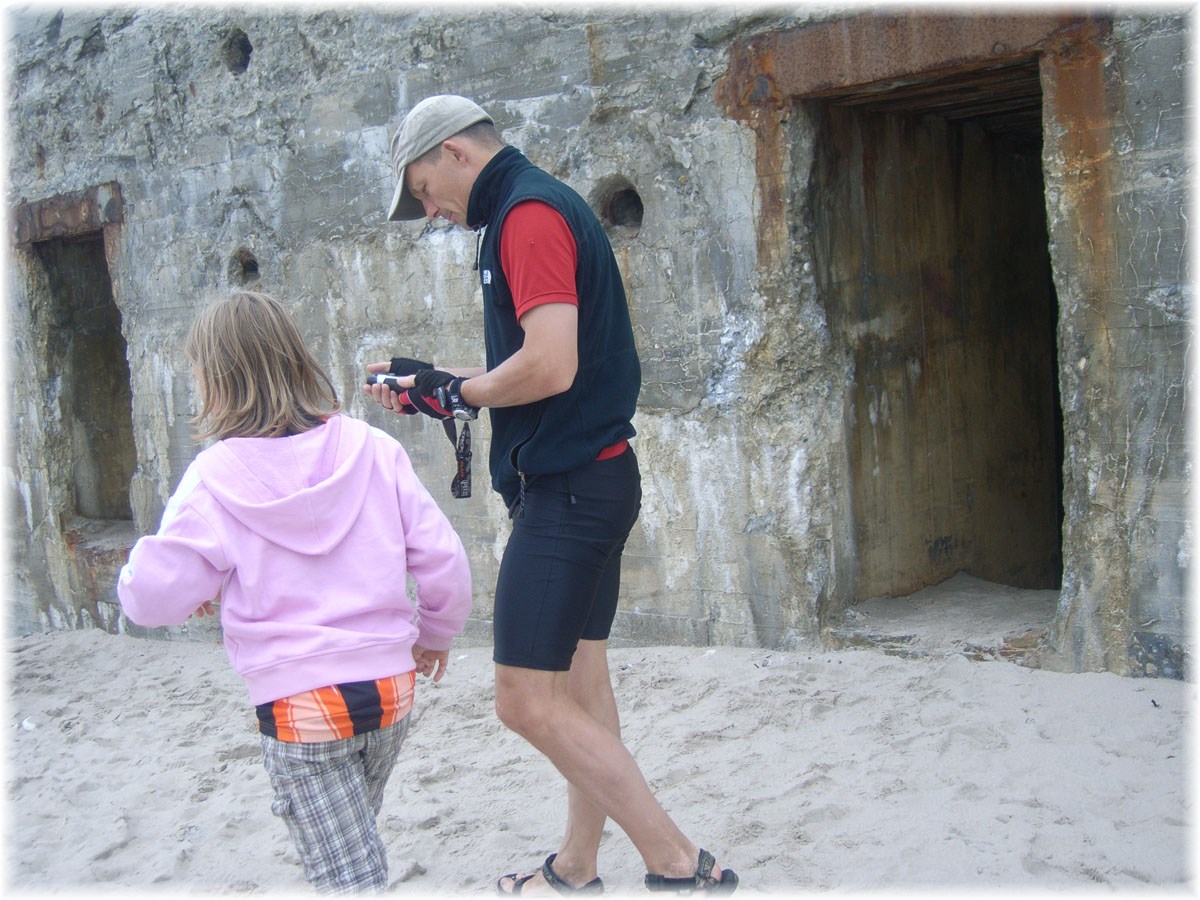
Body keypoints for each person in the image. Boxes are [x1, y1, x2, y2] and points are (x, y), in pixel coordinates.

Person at [364, 95, 737, 896]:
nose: (427, 208)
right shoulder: (533, 209)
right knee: (578, 686)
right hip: (595, 478)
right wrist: (443, 386)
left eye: (423, 187)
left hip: (570, 493)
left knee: (523, 700)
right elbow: (542, 362)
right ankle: (575, 865)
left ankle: (678, 863)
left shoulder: (526, 215)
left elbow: (552, 364)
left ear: (458, 154)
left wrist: (457, 391)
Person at [118, 291, 472, 895]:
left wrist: (202, 575)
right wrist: (435, 635)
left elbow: (147, 600)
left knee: (346, 875)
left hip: (298, 707)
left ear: (215, 381)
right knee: (353, 835)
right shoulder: (373, 449)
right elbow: (444, 561)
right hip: (390, 691)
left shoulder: (212, 478)